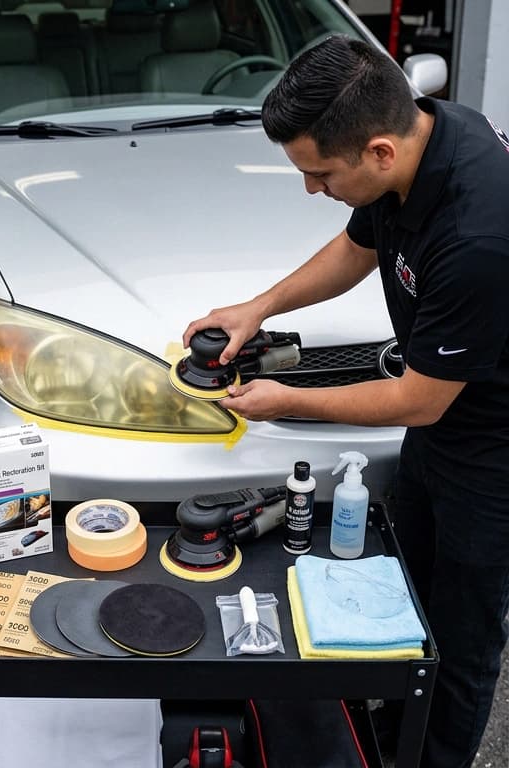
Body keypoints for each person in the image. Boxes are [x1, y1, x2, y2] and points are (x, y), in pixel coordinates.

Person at [183, 35, 509, 768]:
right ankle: (378, 742)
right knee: (404, 600)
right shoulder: (426, 134)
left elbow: (419, 401)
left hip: (494, 456)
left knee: (459, 642)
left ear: (380, 152)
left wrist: (288, 401)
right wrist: (256, 307)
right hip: (448, 427)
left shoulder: (480, 232)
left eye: (318, 174)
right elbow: (359, 248)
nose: (310, 188)